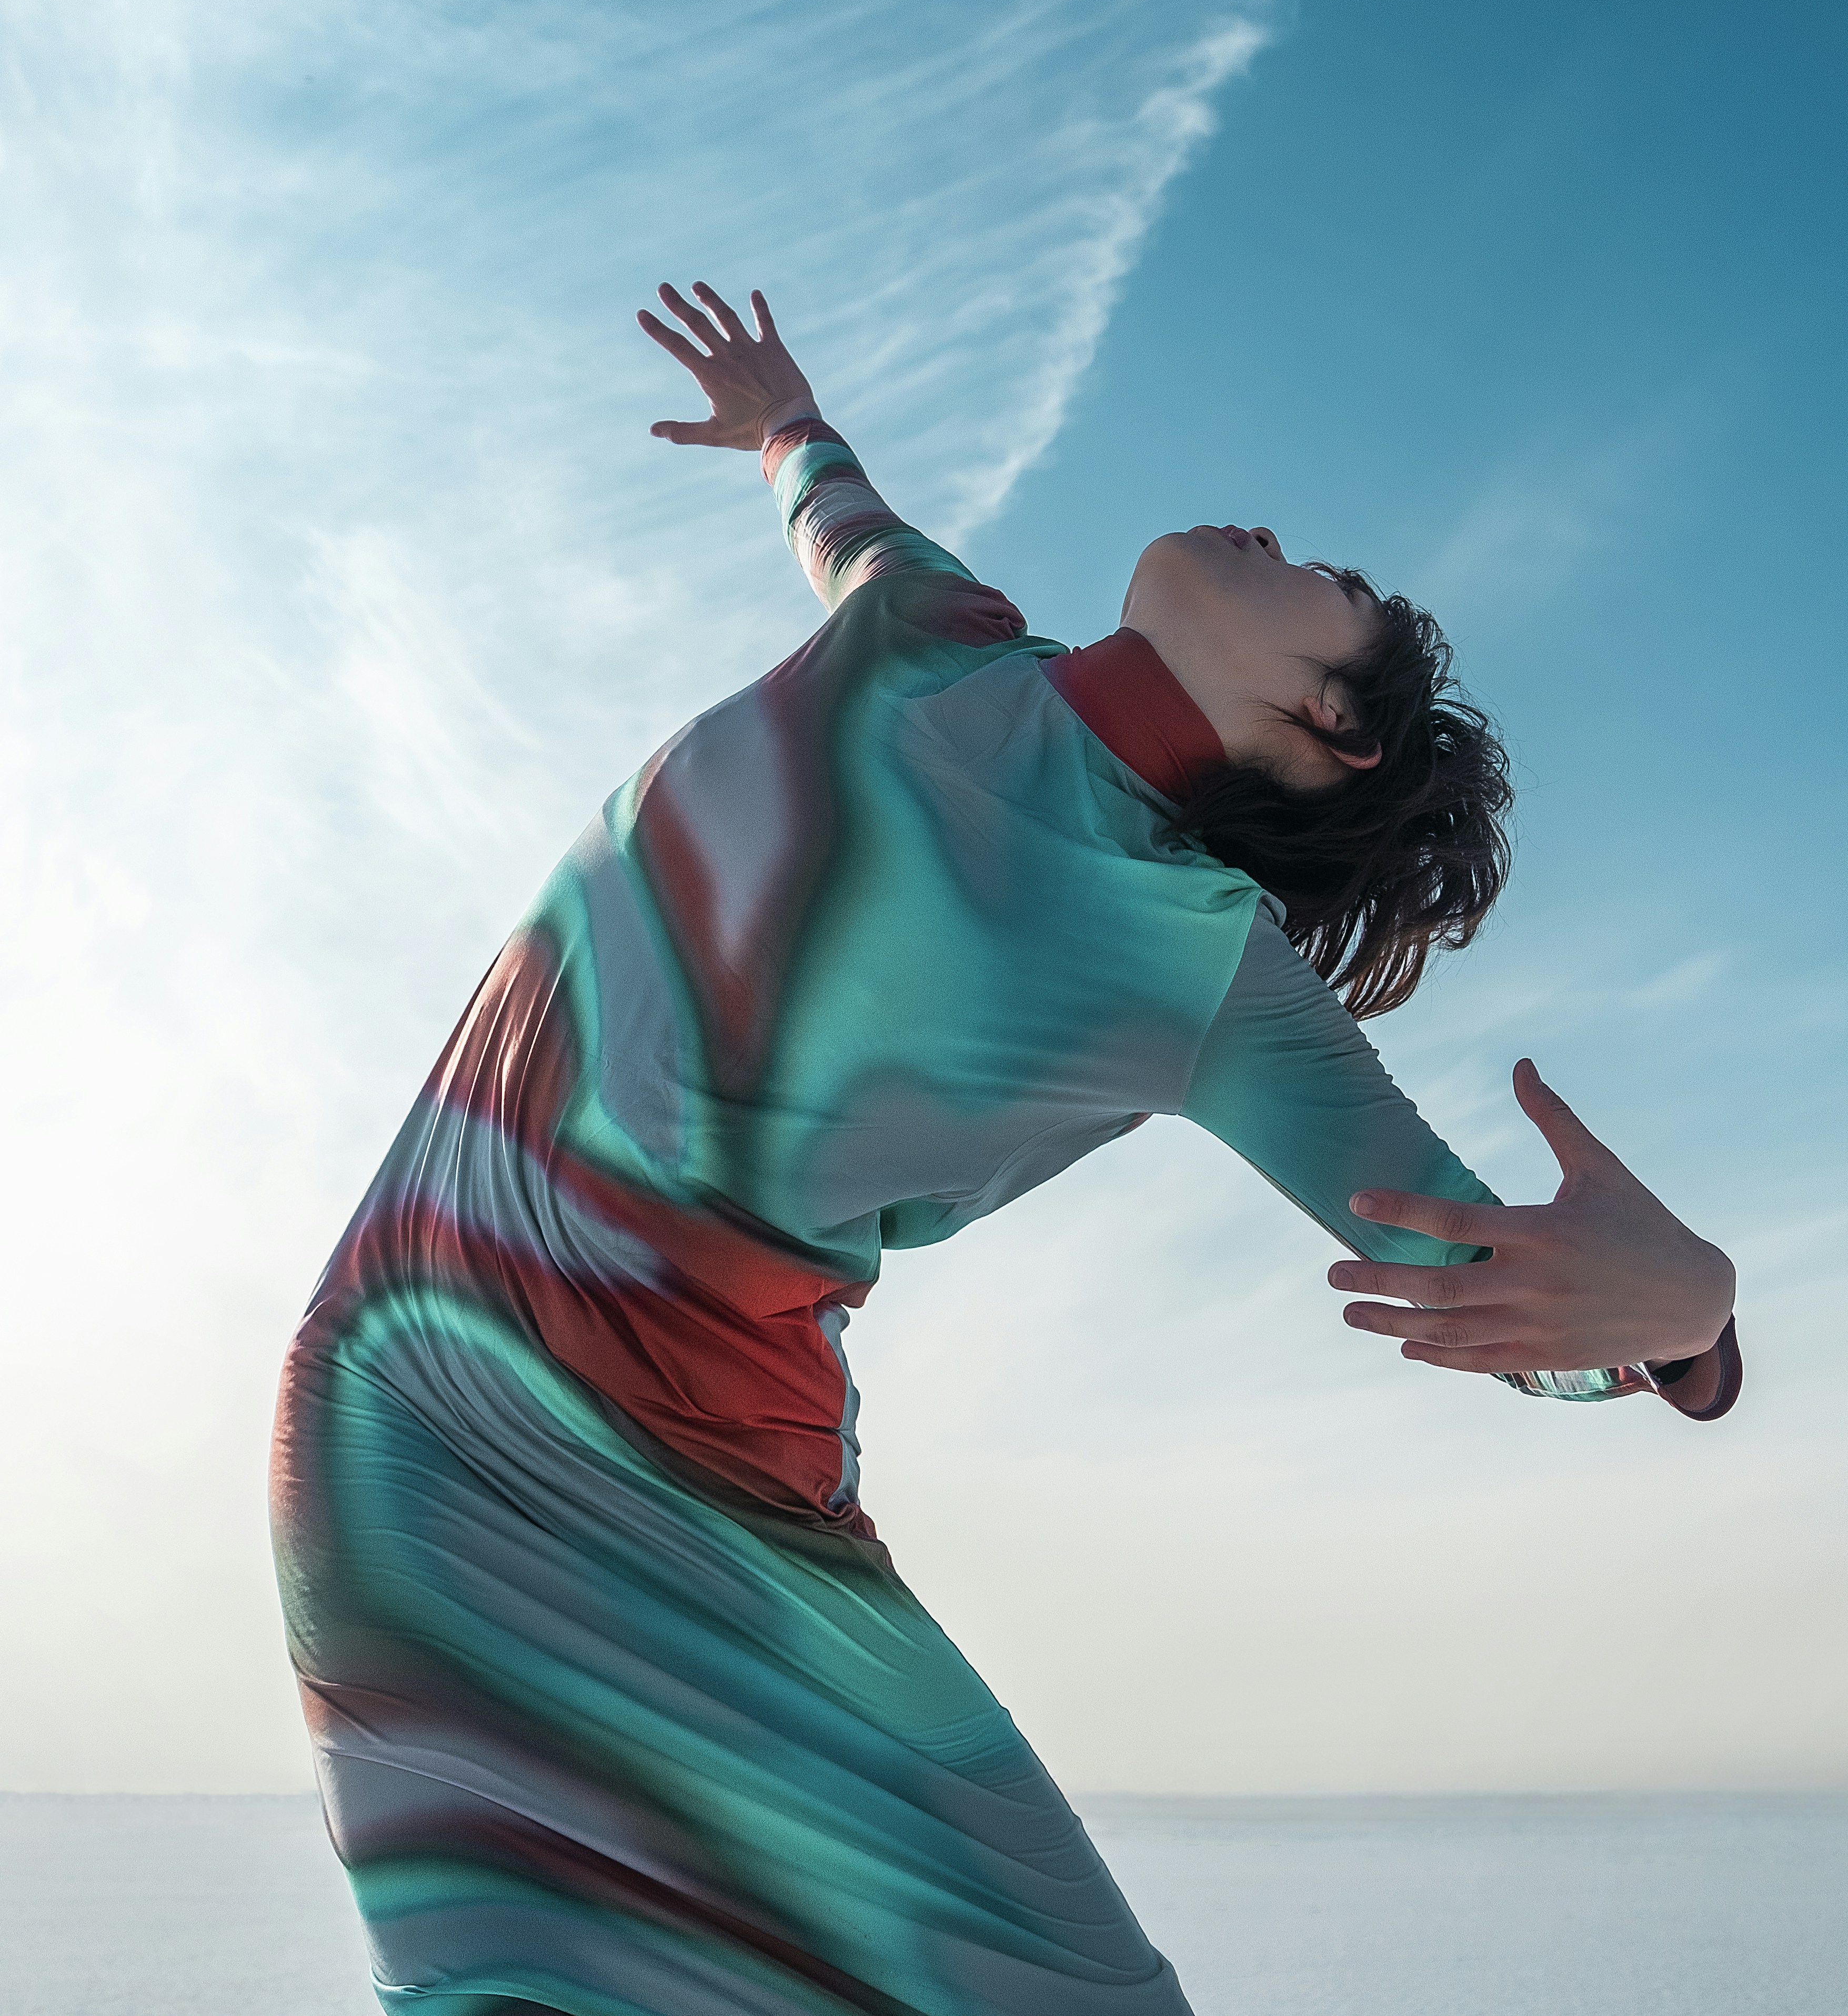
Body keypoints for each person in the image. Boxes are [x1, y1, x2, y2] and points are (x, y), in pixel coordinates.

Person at [271, 279, 1739, 2016]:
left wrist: (1689, 1330)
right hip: (400, 1411)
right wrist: (781, 421)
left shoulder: (1198, 963)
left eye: (1326, 586)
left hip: (698, 1485)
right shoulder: (939, 622)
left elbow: (1477, 1283)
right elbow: (842, 515)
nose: (1282, 536)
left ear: (1334, 725)